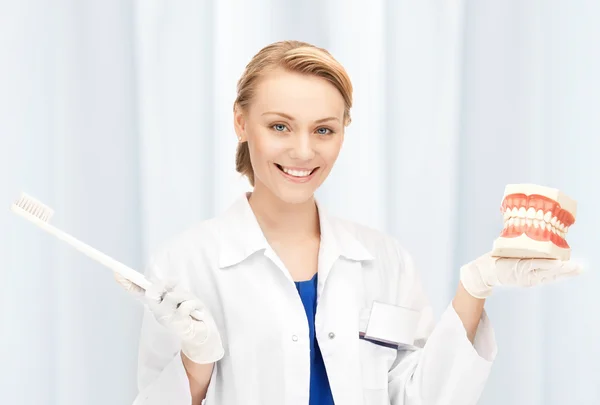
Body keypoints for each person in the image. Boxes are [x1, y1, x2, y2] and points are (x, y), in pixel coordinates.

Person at [115, 40, 582, 405]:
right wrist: (196, 364)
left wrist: (475, 286)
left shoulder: (383, 259)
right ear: (241, 122)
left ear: (343, 130)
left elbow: (423, 398)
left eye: (324, 129)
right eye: (279, 126)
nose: (303, 151)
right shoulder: (185, 261)